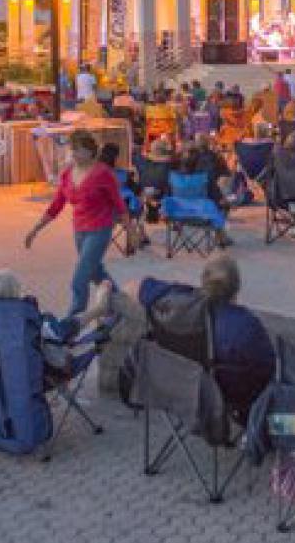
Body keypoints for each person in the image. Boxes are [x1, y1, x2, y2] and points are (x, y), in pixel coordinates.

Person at [92, 255, 274, 420]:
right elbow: (270, 370)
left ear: (203, 281)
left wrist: (106, 296)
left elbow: (132, 287)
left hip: (178, 391)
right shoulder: (246, 326)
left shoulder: (177, 299)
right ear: (236, 287)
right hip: (229, 403)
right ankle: (269, 438)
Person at [24, 129, 128, 319]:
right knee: (96, 272)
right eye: (73, 150)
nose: (73, 154)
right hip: (80, 230)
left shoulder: (103, 173)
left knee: (79, 280)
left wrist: (132, 231)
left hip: (100, 229)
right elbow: (56, 206)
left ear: (90, 151)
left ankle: (72, 322)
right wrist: (35, 230)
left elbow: (119, 204)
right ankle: (122, 307)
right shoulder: (66, 175)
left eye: (78, 150)